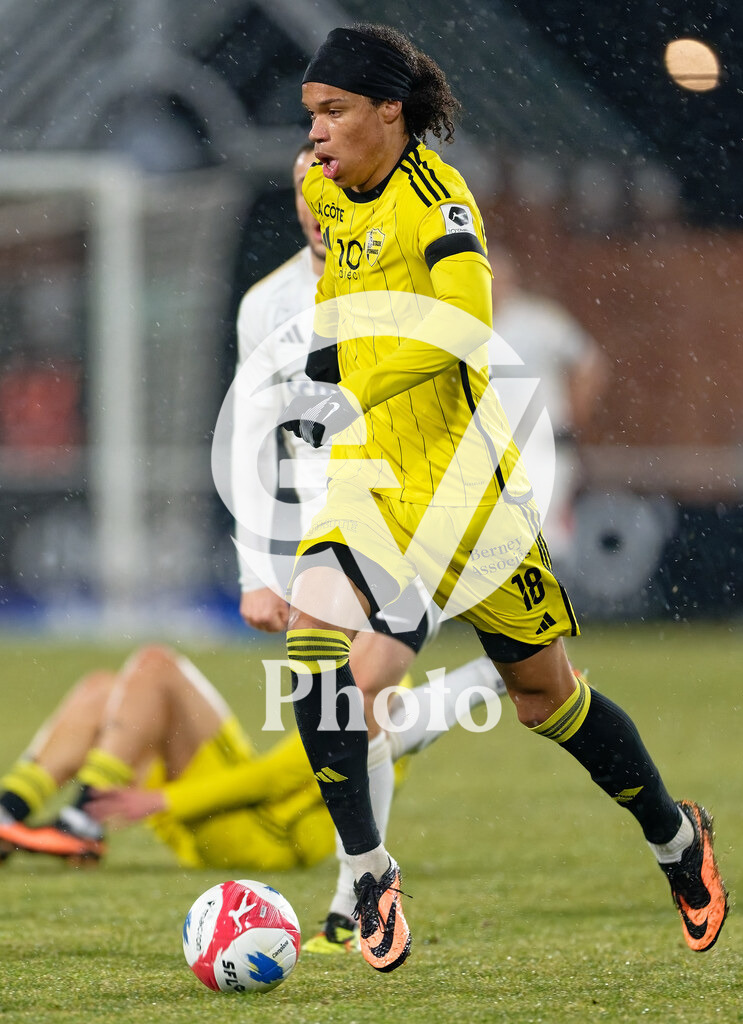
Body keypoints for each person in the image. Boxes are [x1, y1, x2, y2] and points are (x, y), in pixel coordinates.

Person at [277, 23, 728, 974]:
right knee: (318, 659)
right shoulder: (323, 183)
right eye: (310, 113)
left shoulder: (442, 205)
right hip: (369, 481)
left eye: (334, 113)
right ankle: (367, 875)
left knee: (545, 700)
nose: (314, 134)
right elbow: (333, 253)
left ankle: (676, 840)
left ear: (389, 113)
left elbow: (464, 333)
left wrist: (349, 376)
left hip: (464, 496)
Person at [231, 140, 460, 953]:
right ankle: (431, 719)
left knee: (359, 693)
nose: (319, 197)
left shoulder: (408, 261)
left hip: (410, 515)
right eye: (306, 186)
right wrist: (257, 570)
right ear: (296, 199)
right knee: (344, 711)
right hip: (324, 533)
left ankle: (350, 894)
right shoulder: (266, 305)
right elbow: (256, 439)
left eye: (330, 177)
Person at [0, 645, 504, 886]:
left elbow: (279, 776)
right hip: (235, 823)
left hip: (265, 835)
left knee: (156, 665)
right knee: (102, 687)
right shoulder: (355, 662)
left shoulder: (385, 687)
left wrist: (165, 799)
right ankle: (10, 810)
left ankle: (85, 813)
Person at [488, 245, 608, 575]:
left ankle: (553, 609)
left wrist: (574, 415)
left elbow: (589, 364)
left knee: (542, 529)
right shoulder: (469, 322)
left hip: (540, 442)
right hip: (492, 447)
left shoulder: (539, 321)